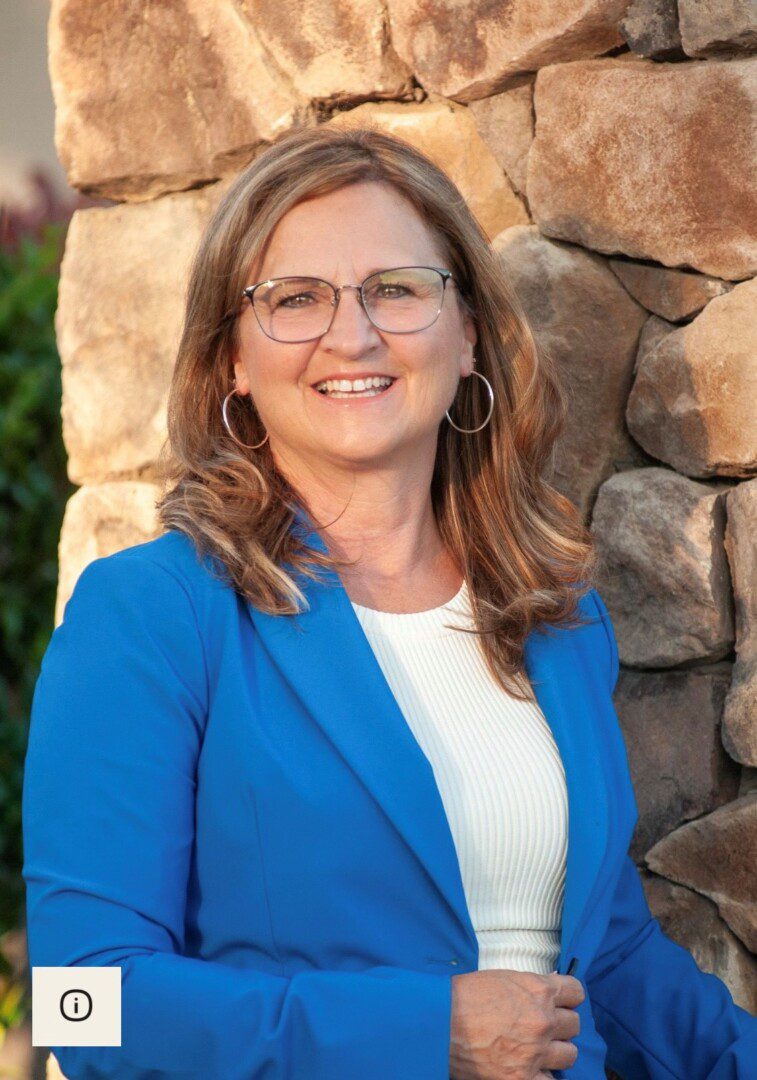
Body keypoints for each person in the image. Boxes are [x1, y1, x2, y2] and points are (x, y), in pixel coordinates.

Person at [23, 125, 755, 1080]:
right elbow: (83, 1006)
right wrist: (421, 1031)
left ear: (467, 337)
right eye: (295, 299)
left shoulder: (556, 615)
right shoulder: (152, 617)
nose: (352, 334)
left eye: (397, 290)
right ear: (232, 360)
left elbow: (605, 963)